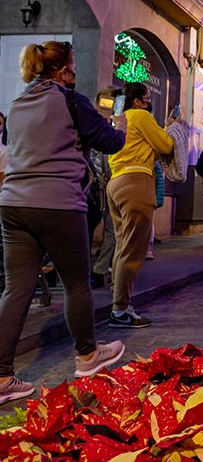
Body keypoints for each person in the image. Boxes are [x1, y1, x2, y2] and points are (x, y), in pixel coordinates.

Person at [0, 41, 127, 404]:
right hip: (57, 203)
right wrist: (116, 122)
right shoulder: (73, 101)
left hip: (12, 203)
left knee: (16, 289)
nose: (74, 73)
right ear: (64, 70)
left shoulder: (18, 103)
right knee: (76, 282)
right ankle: (88, 356)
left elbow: (16, 145)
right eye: (72, 67)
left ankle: (1, 377)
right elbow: (111, 142)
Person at [107, 82, 175, 329]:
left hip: (115, 182)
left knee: (122, 244)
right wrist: (170, 128)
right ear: (137, 101)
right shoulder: (140, 116)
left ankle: (118, 298)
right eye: (146, 99)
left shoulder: (120, 118)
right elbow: (166, 145)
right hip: (136, 181)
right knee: (133, 249)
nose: (149, 103)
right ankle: (121, 309)